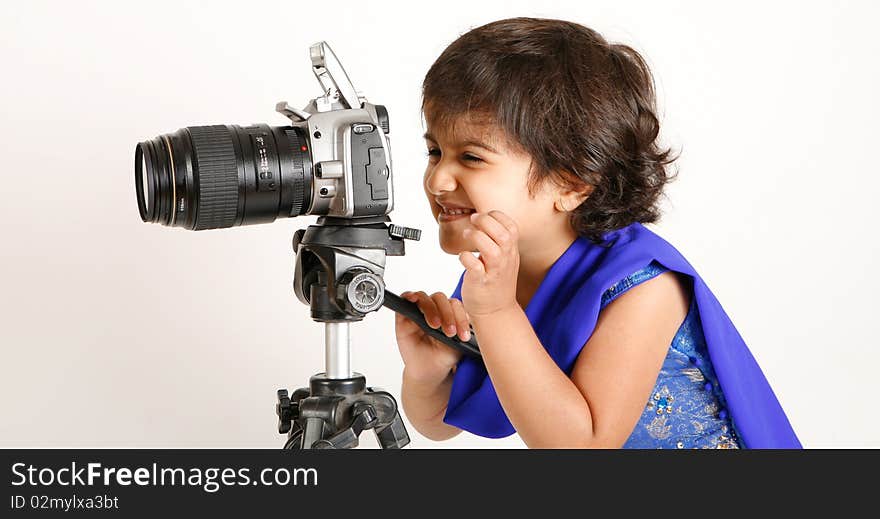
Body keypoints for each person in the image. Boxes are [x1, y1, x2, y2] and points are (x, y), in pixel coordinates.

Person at [394, 17, 800, 448]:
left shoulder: (644, 288)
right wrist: (428, 373)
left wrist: (496, 314)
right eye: (435, 151)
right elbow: (441, 422)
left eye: (471, 157)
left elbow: (580, 445)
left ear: (570, 184)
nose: (438, 179)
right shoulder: (500, 272)